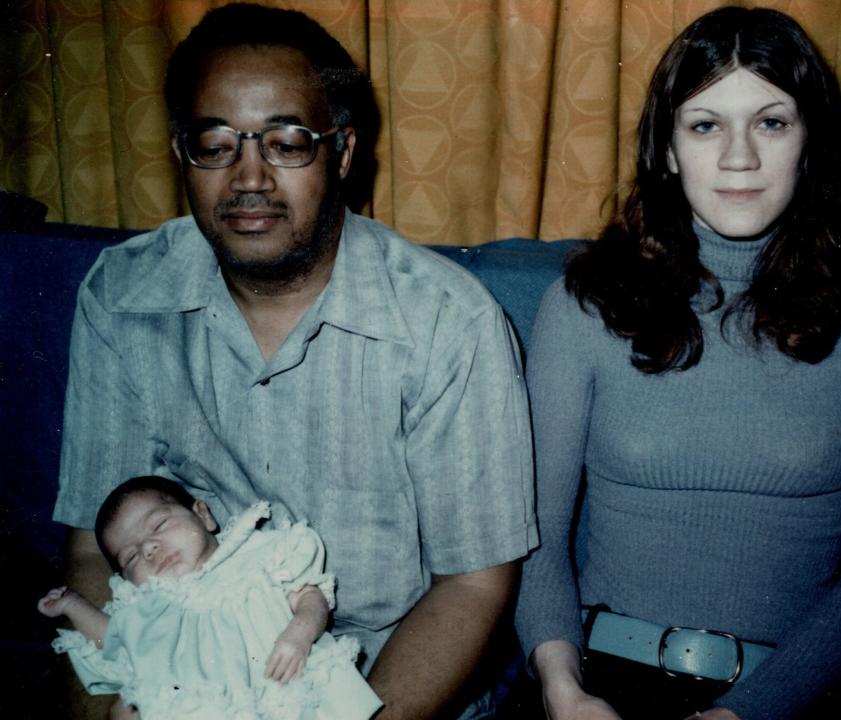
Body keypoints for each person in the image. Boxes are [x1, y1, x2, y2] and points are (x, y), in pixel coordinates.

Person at [52, 4, 537, 719]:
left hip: (382, 688)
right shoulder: (122, 297)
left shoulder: (447, 323)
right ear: (182, 153)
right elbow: (97, 550)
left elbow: (472, 585)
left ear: (341, 153)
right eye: (215, 144)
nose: (250, 178)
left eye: (287, 143)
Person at [514, 6, 841, 720]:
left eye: (771, 122)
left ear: (810, 143)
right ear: (668, 149)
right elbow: (535, 538)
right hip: (598, 689)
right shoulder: (580, 307)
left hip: (793, 698)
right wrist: (562, 687)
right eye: (705, 125)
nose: (740, 157)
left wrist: (748, 713)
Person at [39, 476, 382, 720]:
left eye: (158, 525)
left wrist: (299, 635)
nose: (149, 548)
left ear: (203, 514)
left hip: (276, 690)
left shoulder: (260, 556)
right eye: (131, 557)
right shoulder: (153, 609)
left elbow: (310, 597)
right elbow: (114, 638)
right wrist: (72, 604)